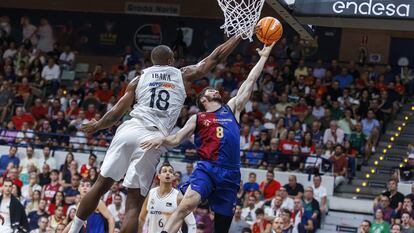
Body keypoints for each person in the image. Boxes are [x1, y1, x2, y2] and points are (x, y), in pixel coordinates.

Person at [69, 36, 241, 233]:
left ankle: (73, 230)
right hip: (152, 138)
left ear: (153, 62)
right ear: (171, 61)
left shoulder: (139, 78)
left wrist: (98, 125)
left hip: (129, 129)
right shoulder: (182, 74)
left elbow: (117, 112)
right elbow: (215, 57)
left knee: (100, 185)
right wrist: (238, 36)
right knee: (134, 204)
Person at [141, 42, 276, 233]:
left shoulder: (232, 109)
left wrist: (263, 56)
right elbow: (176, 139)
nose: (216, 91)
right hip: (207, 168)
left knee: (221, 227)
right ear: (203, 100)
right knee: (186, 205)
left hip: (230, 173)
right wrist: (161, 140)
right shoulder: (197, 118)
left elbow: (250, 80)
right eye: (211, 91)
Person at [138, 163, 196, 232]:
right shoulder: (151, 193)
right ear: (159, 176)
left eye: (170, 172)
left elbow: (192, 223)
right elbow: (141, 218)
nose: (168, 173)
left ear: (173, 177)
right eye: (164, 171)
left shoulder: (179, 197)